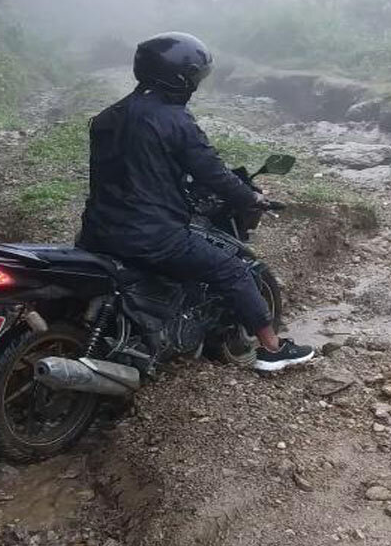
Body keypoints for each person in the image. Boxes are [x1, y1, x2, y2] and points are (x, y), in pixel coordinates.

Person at [77, 32, 314, 372]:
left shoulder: (107, 117)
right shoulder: (174, 120)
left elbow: (134, 166)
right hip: (152, 235)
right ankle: (273, 350)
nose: (194, 83)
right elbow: (213, 173)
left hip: (98, 230)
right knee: (232, 270)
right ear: (177, 76)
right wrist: (251, 196)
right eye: (193, 76)